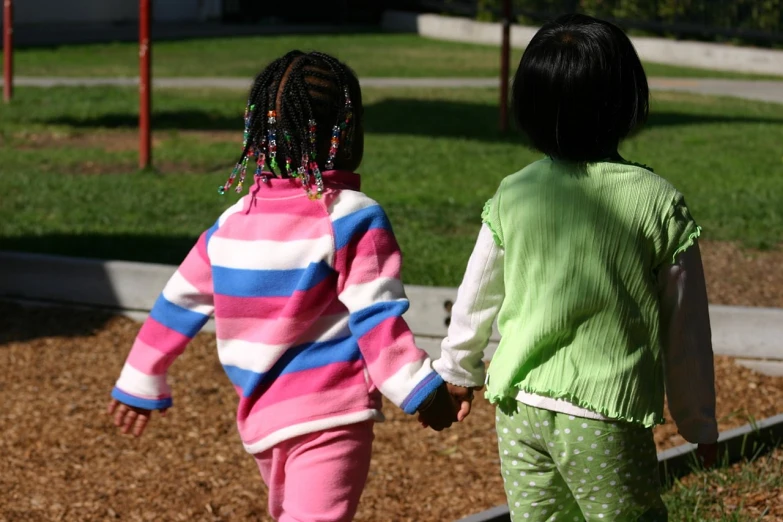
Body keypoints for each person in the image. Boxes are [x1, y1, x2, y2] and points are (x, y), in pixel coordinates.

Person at [107, 50, 456, 522]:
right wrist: (420, 389)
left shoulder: (232, 222)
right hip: (331, 414)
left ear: (258, 135)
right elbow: (375, 313)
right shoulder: (350, 216)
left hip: (262, 422)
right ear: (346, 133)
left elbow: (179, 300)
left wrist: (141, 375)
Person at [433, 14, 718, 521]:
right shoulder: (657, 204)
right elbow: (687, 330)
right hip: (602, 416)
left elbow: (476, 293)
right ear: (628, 102)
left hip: (519, 410)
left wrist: (458, 370)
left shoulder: (513, 193)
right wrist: (699, 422)